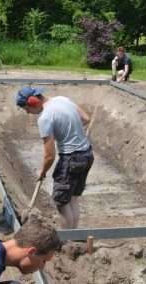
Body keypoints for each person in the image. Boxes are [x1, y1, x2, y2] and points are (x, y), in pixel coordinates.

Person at [16, 87, 94, 229]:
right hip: (87, 154)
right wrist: (68, 129)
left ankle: (66, 238)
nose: (27, 112)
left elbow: (49, 156)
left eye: (26, 108)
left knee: (61, 202)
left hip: (71, 159)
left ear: (33, 102)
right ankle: (73, 235)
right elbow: (86, 118)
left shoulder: (45, 118)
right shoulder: (62, 99)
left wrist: (42, 171)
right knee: (72, 199)